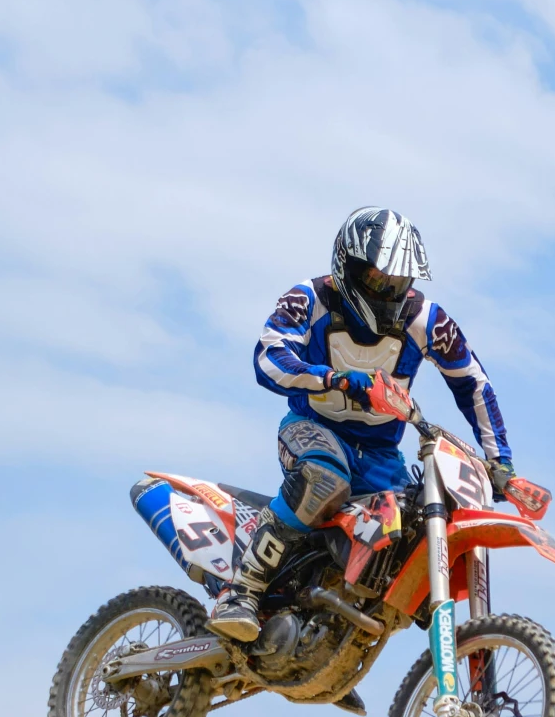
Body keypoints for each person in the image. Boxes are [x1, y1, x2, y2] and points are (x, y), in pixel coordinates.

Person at [208, 206, 515, 643]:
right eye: (377, 279)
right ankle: (240, 590)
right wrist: (330, 379)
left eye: (398, 283)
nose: (388, 292)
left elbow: (473, 384)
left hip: (379, 453)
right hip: (311, 428)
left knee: (418, 524)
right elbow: (268, 357)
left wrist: (499, 461)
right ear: (347, 265)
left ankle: (333, 637)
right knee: (324, 481)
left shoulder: (427, 320)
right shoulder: (309, 298)